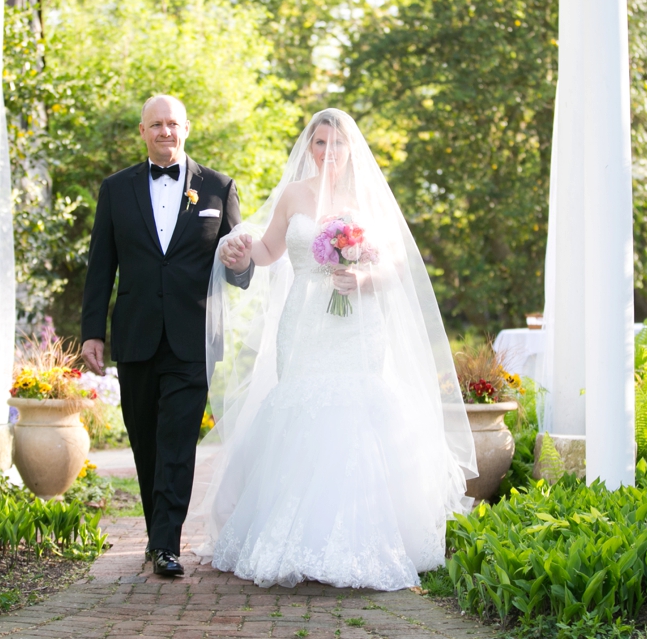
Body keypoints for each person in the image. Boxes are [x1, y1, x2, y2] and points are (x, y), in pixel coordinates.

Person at [190, 109, 478, 591]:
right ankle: (292, 537)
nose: (327, 152)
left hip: (357, 323)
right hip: (303, 322)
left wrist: (363, 278)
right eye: (319, 143)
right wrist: (241, 253)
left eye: (336, 144)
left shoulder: (368, 199)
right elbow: (268, 252)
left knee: (357, 409)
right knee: (301, 406)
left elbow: (395, 266)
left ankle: (356, 536)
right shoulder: (293, 196)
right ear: (309, 147)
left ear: (350, 150)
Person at [81, 95, 252, 577]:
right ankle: (160, 535)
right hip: (135, 334)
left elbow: (241, 269)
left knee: (178, 438)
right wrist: (92, 332)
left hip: (194, 336)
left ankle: (165, 544)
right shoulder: (116, 190)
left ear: (186, 127)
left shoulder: (219, 188)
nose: (165, 131)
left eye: (172, 123)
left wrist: (242, 266)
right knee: (145, 439)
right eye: (155, 124)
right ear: (143, 132)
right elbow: (101, 267)